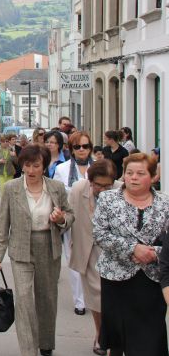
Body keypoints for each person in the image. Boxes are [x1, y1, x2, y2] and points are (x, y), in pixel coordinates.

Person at [0, 145, 74, 356]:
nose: (31, 170)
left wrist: (61, 219)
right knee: (24, 300)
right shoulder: (11, 188)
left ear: (44, 166)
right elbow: (3, 222)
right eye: (27, 165)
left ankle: (46, 343)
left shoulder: (56, 187)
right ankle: (28, 350)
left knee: (47, 298)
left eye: (36, 165)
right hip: (21, 248)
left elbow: (70, 215)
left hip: (48, 245)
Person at [93, 152, 168, 354]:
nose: (133, 177)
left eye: (140, 173)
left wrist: (154, 252)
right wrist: (132, 248)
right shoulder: (108, 199)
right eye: (129, 173)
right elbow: (100, 234)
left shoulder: (165, 204)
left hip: (150, 280)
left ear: (153, 177)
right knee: (118, 339)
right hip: (116, 278)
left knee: (150, 339)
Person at [68, 159, 117, 355]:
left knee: (112, 297)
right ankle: (100, 334)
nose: (103, 190)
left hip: (114, 251)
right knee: (96, 296)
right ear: (91, 182)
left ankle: (113, 334)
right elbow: (70, 216)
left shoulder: (121, 190)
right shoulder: (79, 189)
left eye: (108, 185)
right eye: (99, 185)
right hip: (88, 248)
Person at [53, 131, 95, 316]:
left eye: (85, 146)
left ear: (90, 148)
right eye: (77, 147)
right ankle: (80, 301)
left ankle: (94, 297)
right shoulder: (62, 169)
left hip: (96, 220)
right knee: (74, 259)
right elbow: (56, 195)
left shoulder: (98, 168)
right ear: (71, 149)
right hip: (73, 220)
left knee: (94, 261)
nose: (81, 150)